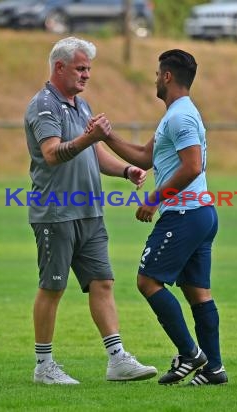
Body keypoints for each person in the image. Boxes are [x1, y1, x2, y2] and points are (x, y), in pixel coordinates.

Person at [23, 36, 157, 385]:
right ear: (59, 67)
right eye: (81, 68)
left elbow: (92, 154)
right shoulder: (44, 107)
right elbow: (53, 153)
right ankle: (43, 367)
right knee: (52, 288)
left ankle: (117, 360)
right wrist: (91, 137)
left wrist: (126, 170)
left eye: (89, 69)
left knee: (103, 282)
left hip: (90, 213)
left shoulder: (80, 106)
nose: (86, 75)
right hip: (56, 213)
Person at [103, 49, 228, 386]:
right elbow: (144, 158)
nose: (155, 78)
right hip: (199, 212)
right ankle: (214, 369)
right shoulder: (176, 115)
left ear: (168, 76)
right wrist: (107, 137)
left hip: (185, 214)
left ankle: (190, 354)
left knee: (147, 281)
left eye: (158, 73)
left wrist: (155, 199)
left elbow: (192, 165)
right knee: (198, 293)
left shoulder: (180, 117)